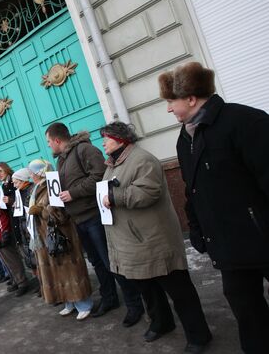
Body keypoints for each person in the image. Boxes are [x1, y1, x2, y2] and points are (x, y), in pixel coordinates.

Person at [159, 61, 269, 353]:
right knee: (248, 314)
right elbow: (192, 190)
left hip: (263, 237)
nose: (169, 109)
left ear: (191, 98)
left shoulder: (246, 121)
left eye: (171, 101)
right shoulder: (185, 138)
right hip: (228, 247)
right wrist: (197, 228)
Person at [100, 121, 212, 353]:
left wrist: (116, 196)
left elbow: (148, 192)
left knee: (179, 290)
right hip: (131, 241)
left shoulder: (142, 159)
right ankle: (162, 323)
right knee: (146, 287)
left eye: (106, 138)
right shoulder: (112, 164)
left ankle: (199, 335)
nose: (103, 142)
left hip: (154, 239)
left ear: (121, 139)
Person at [45, 122, 144, 326]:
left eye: (48, 142)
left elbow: (100, 176)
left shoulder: (85, 149)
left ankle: (135, 304)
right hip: (78, 219)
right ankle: (110, 299)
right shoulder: (61, 161)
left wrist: (73, 193)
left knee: (111, 262)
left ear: (56, 140)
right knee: (98, 263)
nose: (48, 146)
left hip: (95, 216)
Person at [27, 159, 93, 320]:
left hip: (62, 235)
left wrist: (41, 211)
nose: (30, 175)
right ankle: (67, 301)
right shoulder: (35, 189)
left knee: (70, 270)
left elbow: (60, 213)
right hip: (45, 237)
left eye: (32, 172)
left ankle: (83, 303)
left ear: (38, 172)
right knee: (56, 270)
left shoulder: (51, 184)